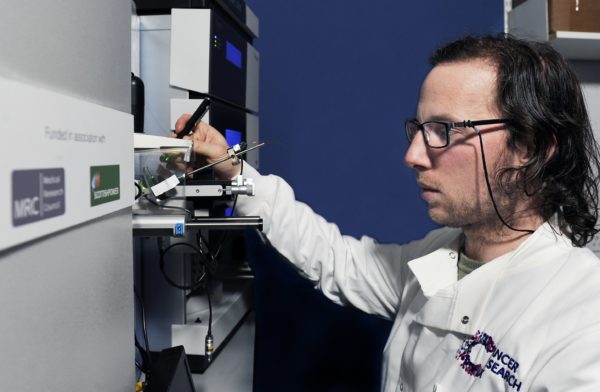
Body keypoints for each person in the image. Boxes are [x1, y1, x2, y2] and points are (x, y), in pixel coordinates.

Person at [175, 34, 600, 391]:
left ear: (529, 148)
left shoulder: (581, 318)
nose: (412, 155)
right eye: (418, 130)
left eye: (443, 131)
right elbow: (339, 261)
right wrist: (236, 174)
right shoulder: (443, 261)